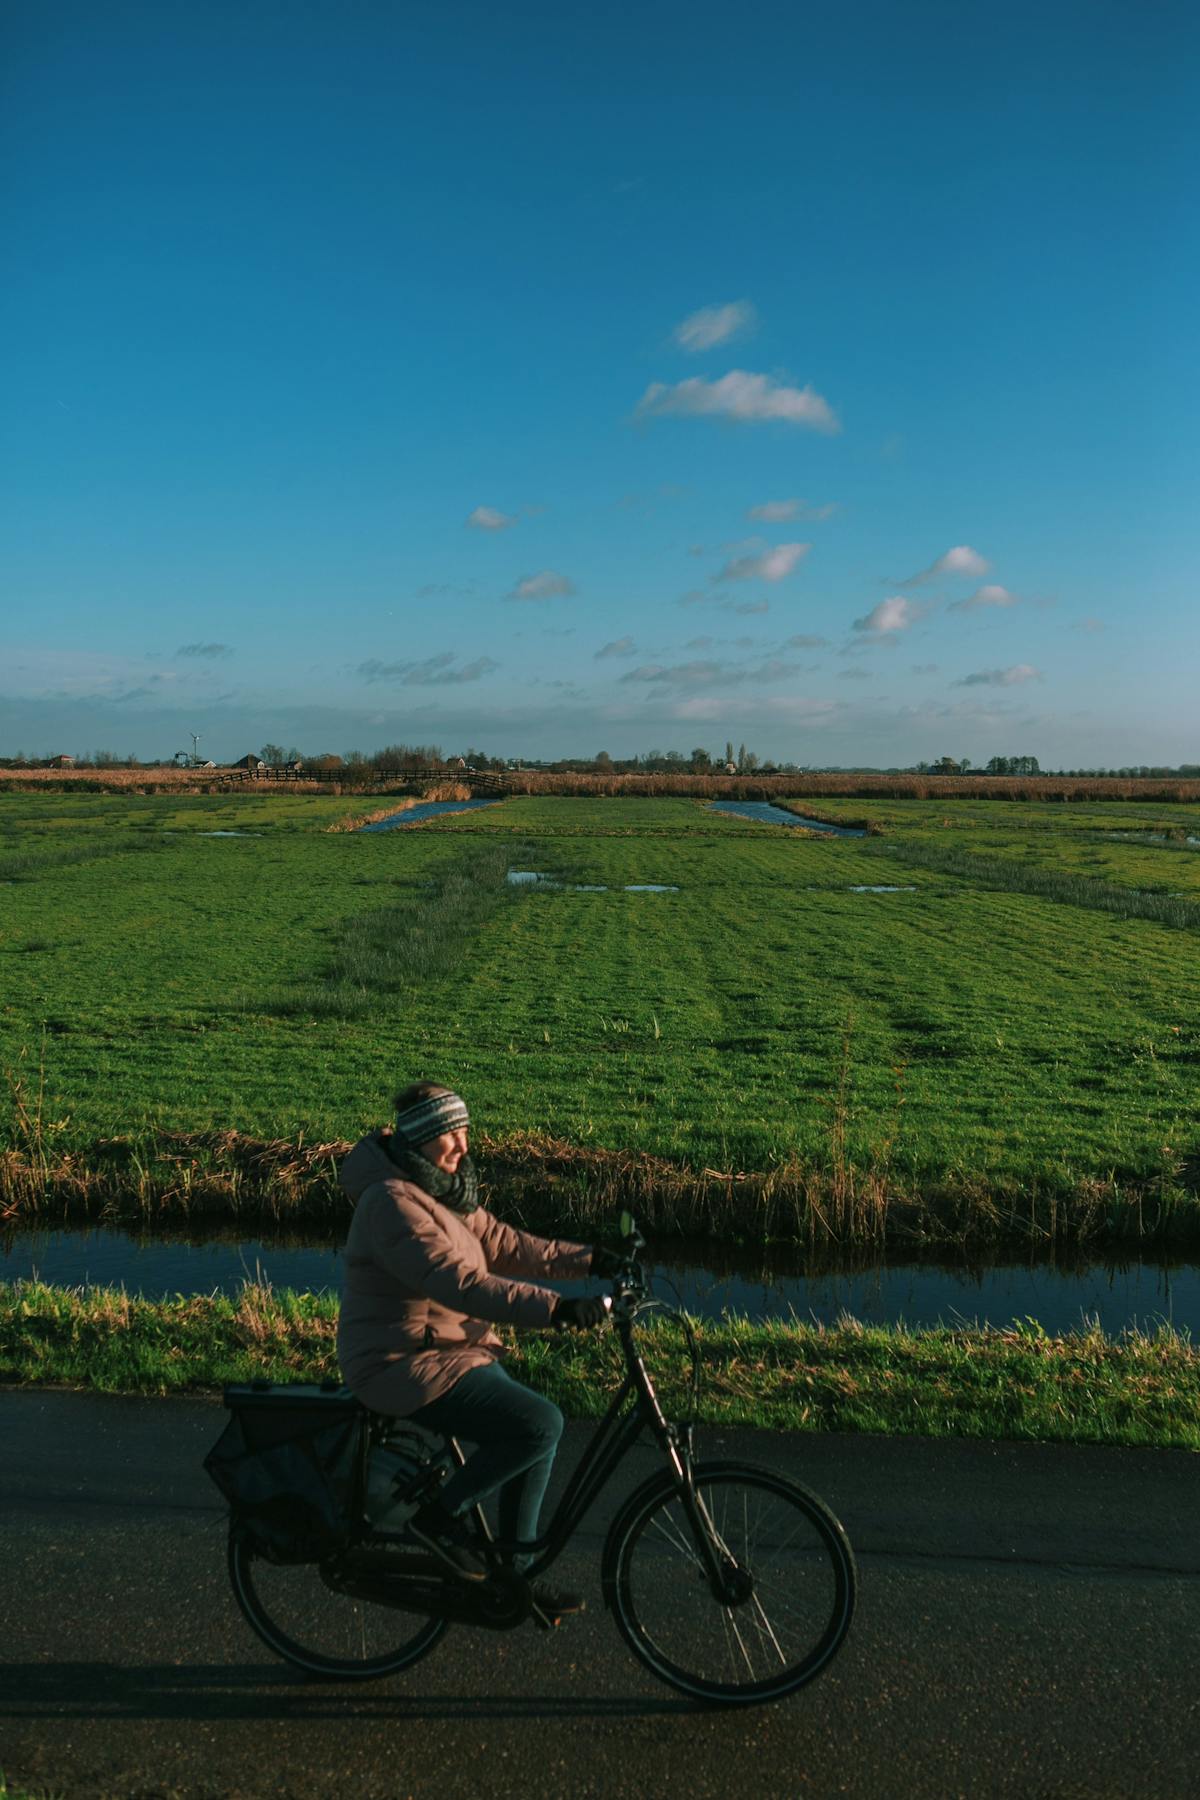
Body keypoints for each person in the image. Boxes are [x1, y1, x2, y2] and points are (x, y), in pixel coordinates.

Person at [337, 1081, 619, 1617]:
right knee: (539, 1423)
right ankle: (439, 1520)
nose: (464, 1146)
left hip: (447, 1354)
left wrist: (593, 1259)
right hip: (400, 1362)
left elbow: (507, 1246)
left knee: (536, 1431)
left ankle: (513, 1576)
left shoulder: (441, 1191)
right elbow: (458, 1283)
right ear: (421, 1140)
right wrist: (555, 1308)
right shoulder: (391, 1203)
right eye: (452, 1135)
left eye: (465, 1132)